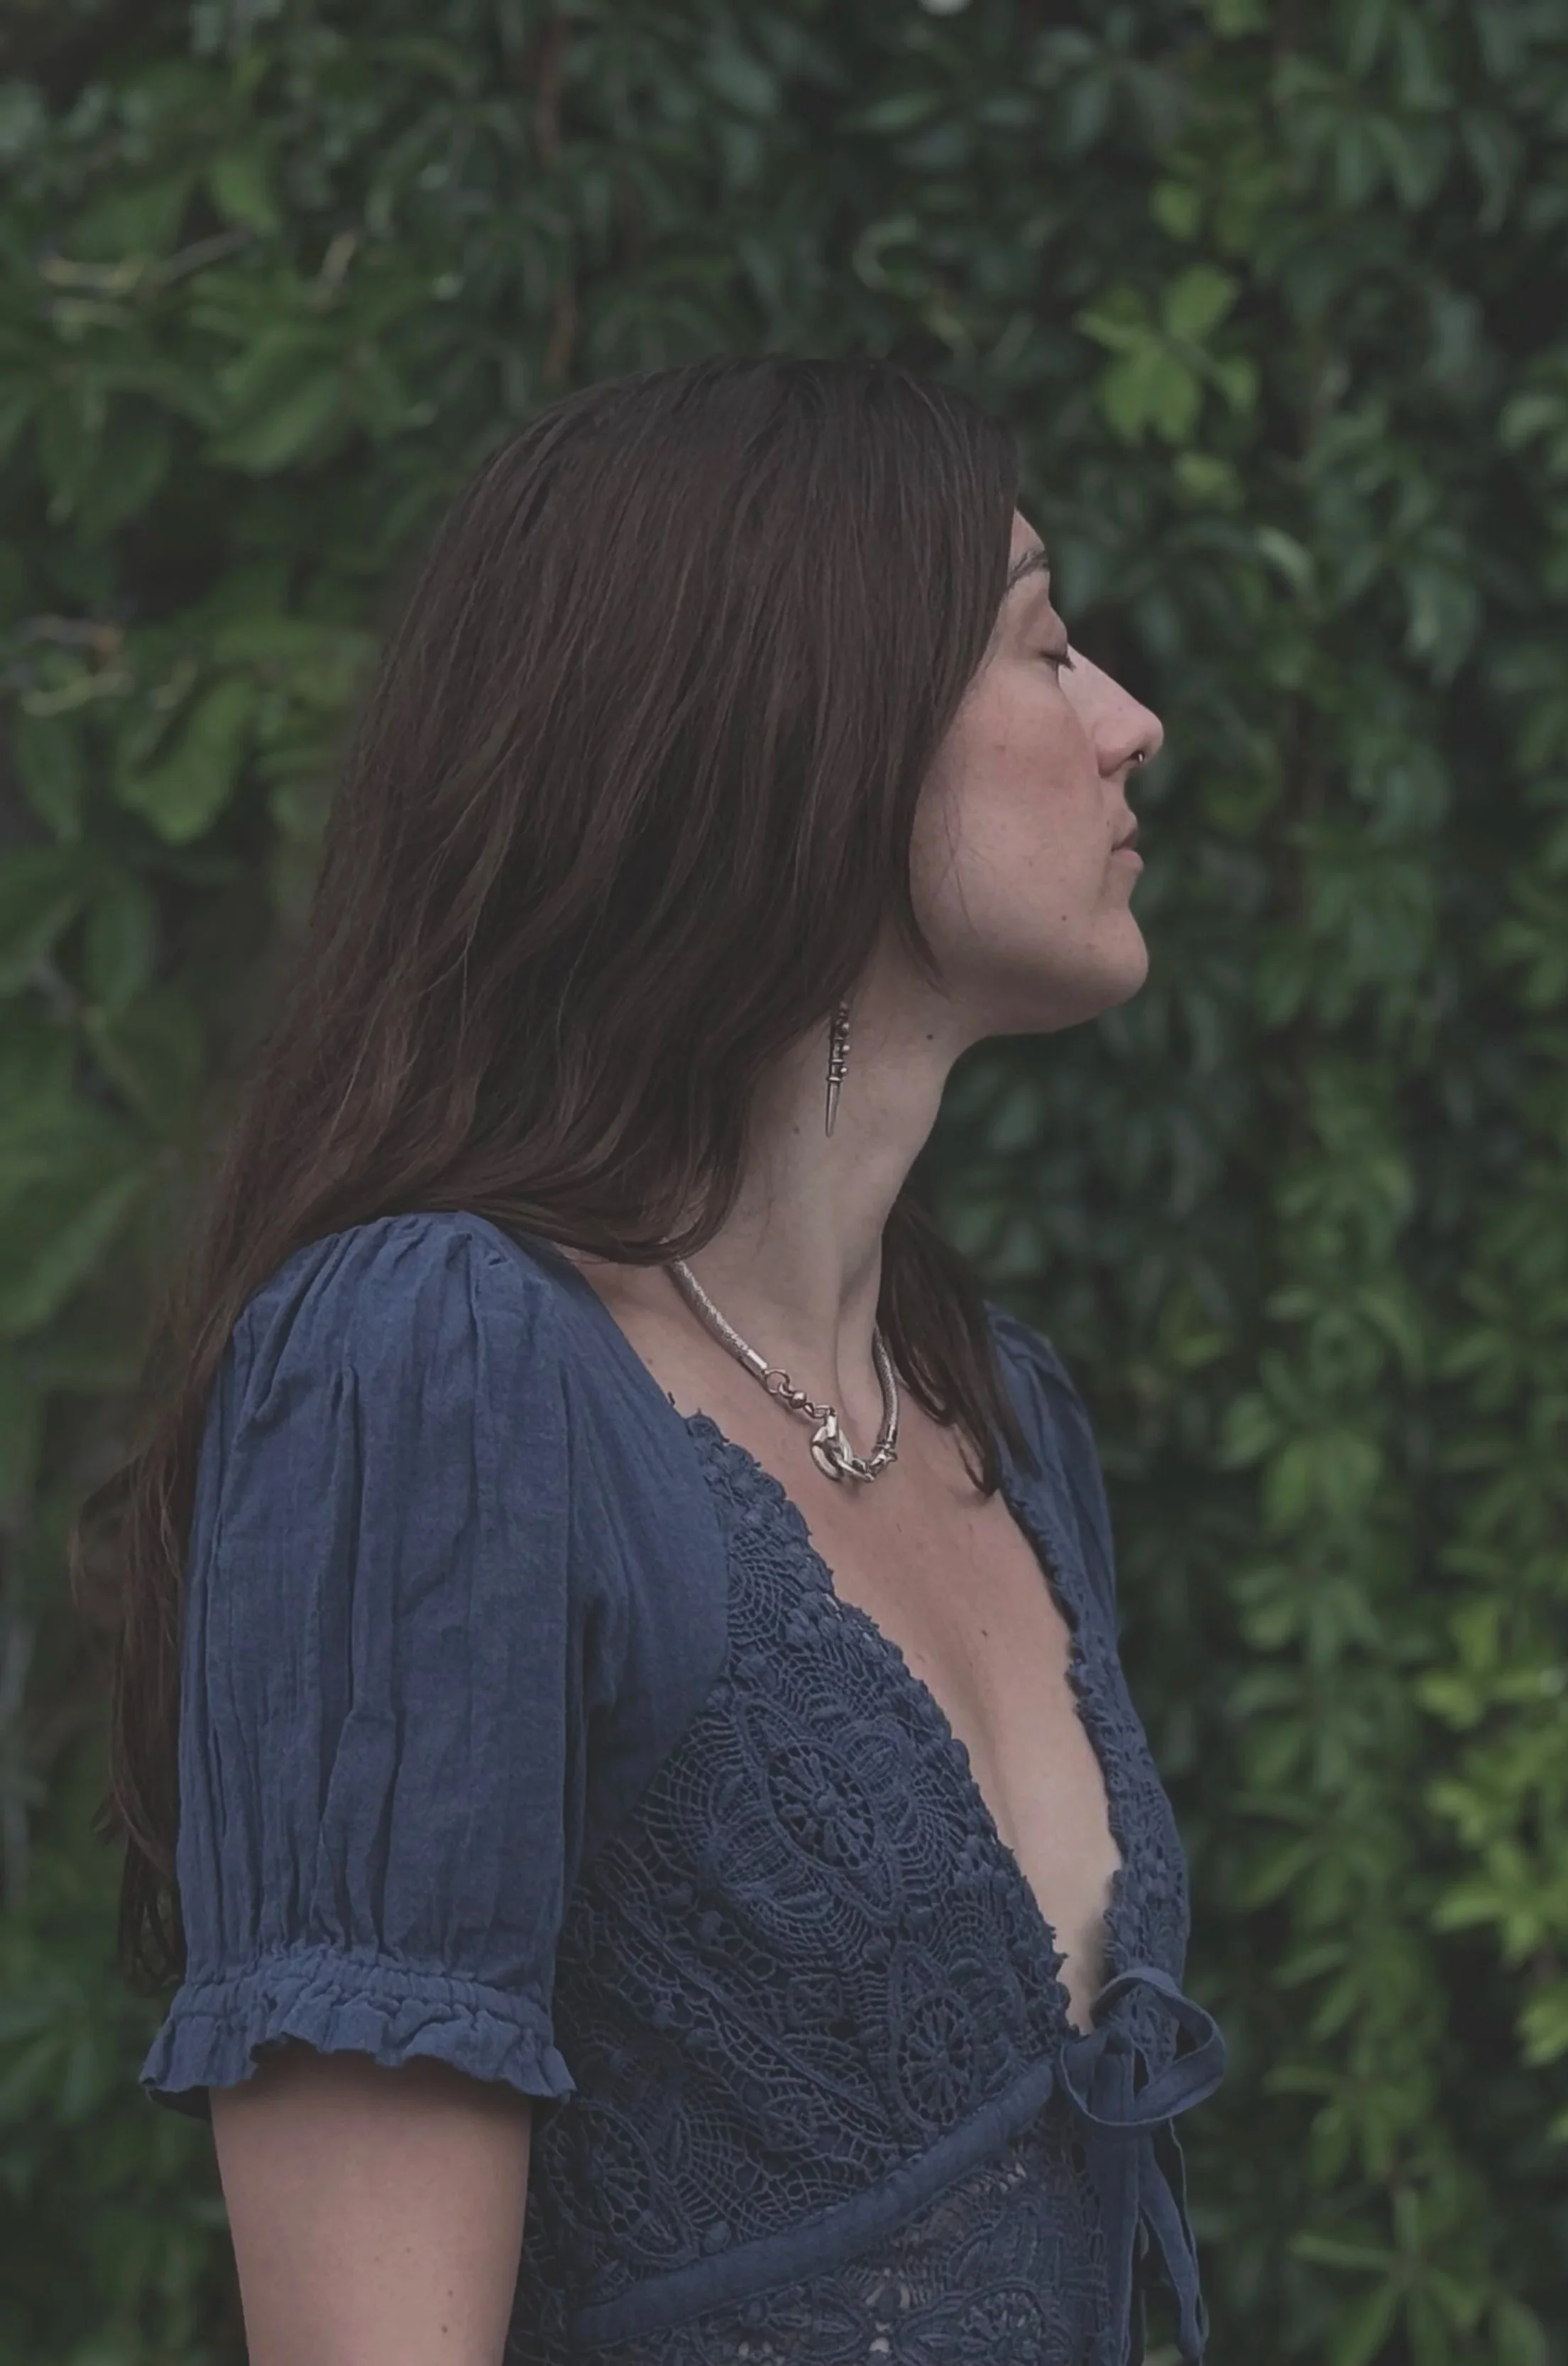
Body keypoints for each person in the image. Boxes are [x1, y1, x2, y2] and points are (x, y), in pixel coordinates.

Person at [82, 355, 1224, 2366]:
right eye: (1043, 647)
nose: (1130, 723)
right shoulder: (434, 1372)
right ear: (812, 736)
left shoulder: (993, 1411)